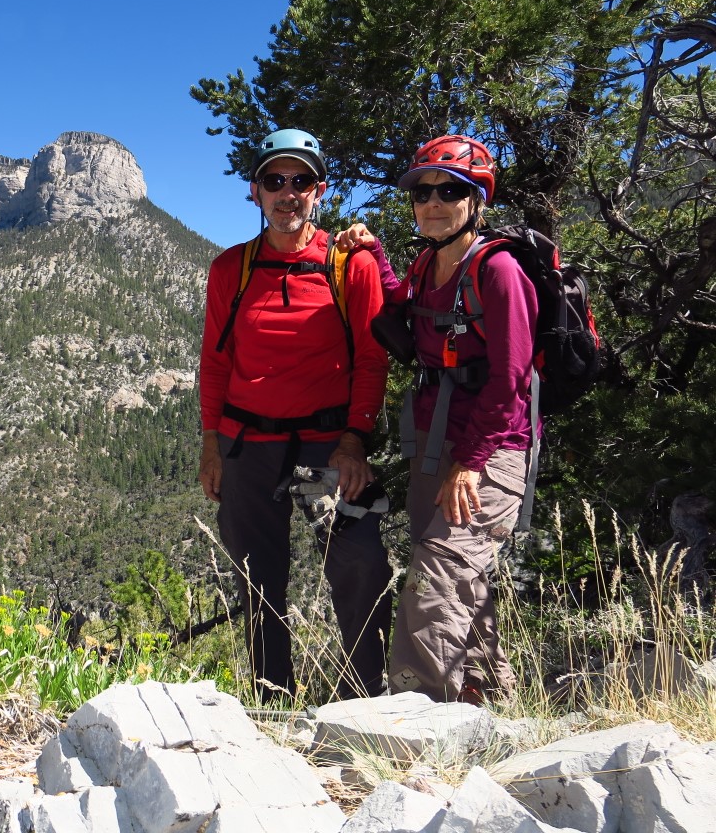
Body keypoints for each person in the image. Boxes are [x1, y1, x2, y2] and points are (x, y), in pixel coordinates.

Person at [199, 128, 394, 702]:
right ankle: (272, 701)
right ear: (255, 192)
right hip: (246, 446)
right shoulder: (229, 270)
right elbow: (215, 364)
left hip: (328, 444)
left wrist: (355, 439)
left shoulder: (347, 265)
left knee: (360, 565)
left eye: (300, 181)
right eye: (274, 181)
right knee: (259, 579)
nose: (288, 193)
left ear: (320, 191)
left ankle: (365, 699)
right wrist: (211, 449)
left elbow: (371, 358)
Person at [338, 135, 535, 704]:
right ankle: (490, 705)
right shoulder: (429, 263)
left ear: (477, 200)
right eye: (423, 192)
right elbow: (409, 304)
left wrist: (470, 464)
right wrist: (375, 255)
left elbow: (510, 379)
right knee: (462, 583)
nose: (433, 202)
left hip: (487, 453)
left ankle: (412, 726)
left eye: (450, 191)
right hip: (434, 443)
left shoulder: (498, 271)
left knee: (435, 583)